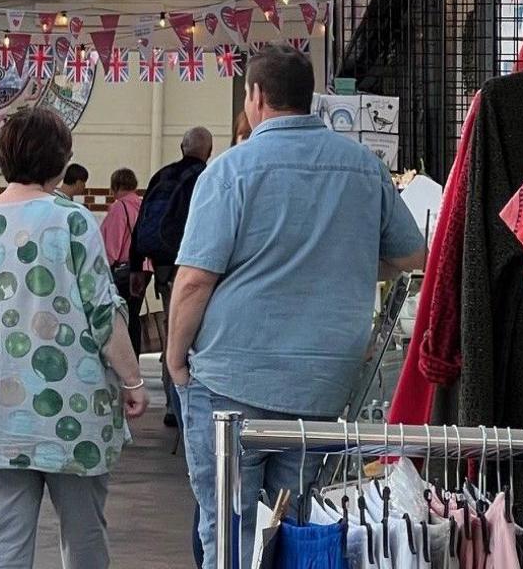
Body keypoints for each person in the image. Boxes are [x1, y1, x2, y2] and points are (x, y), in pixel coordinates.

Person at [167, 46, 427, 561]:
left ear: (256, 96)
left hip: (229, 378)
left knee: (231, 526)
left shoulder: (230, 171)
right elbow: (412, 254)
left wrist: (175, 359)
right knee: (300, 524)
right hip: (322, 384)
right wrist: (344, 262)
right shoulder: (363, 167)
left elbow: (195, 281)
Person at [0, 108, 148, 569]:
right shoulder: (73, 220)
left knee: (4, 536)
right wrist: (133, 380)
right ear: (60, 160)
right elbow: (103, 312)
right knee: (84, 533)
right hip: (73, 411)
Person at [136, 126, 213, 427]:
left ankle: (173, 403)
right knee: (197, 332)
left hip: (164, 267)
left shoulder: (162, 176)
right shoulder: (207, 178)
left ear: (182, 147)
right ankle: (190, 402)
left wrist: (137, 267)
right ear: (208, 150)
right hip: (197, 265)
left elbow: (142, 221)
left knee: (174, 328)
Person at [101, 168, 146, 346]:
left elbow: (112, 244)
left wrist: (106, 267)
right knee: (134, 315)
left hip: (123, 269)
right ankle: (134, 356)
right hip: (145, 268)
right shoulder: (143, 205)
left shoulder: (120, 207)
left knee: (120, 317)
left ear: (116, 186)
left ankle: (121, 359)